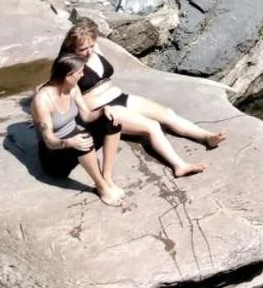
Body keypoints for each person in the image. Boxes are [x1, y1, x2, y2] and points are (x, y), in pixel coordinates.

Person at [62, 19, 224, 178]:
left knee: (167, 114)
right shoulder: (69, 66)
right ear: (72, 48)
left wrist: (89, 38)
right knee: (152, 127)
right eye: (83, 49)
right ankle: (179, 166)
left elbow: (88, 31)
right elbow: (67, 98)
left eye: (91, 45)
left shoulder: (94, 47)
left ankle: (207, 137)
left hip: (119, 96)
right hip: (104, 110)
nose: (89, 51)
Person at [30, 51, 125, 205]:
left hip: (74, 139)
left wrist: (103, 111)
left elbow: (86, 116)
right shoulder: (42, 101)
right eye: (79, 72)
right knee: (83, 141)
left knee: (113, 121)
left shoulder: (73, 88)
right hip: (54, 157)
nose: (82, 76)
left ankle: (107, 177)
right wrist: (70, 142)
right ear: (68, 76)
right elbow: (49, 141)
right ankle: (102, 187)